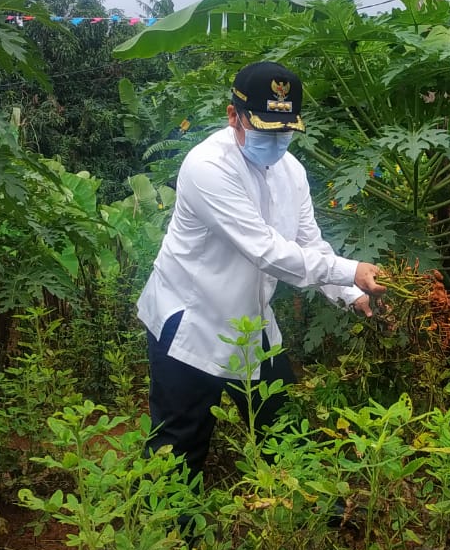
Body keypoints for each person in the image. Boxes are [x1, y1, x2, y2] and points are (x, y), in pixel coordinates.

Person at [136, 60, 386, 474]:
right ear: (233, 115)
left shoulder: (293, 172)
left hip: (254, 326)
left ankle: (305, 518)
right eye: (265, 127)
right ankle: (174, 535)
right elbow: (267, 251)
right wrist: (352, 269)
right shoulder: (207, 168)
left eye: (285, 130)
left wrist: (353, 293)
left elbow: (309, 243)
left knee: (285, 433)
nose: (276, 140)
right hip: (190, 327)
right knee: (178, 448)